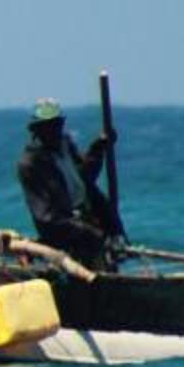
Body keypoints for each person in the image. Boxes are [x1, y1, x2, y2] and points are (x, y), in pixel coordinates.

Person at [17, 98, 123, 269]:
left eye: (57, 125)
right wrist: (86, 232)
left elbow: (84, 178)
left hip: (87, 220)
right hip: (65, 232)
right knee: (87, 277)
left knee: (107, 262)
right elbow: (47, 218)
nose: (54, 131)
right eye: (48, 127)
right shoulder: (30, 164)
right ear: (37, 130)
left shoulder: (65, 144)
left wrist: (99, 147)